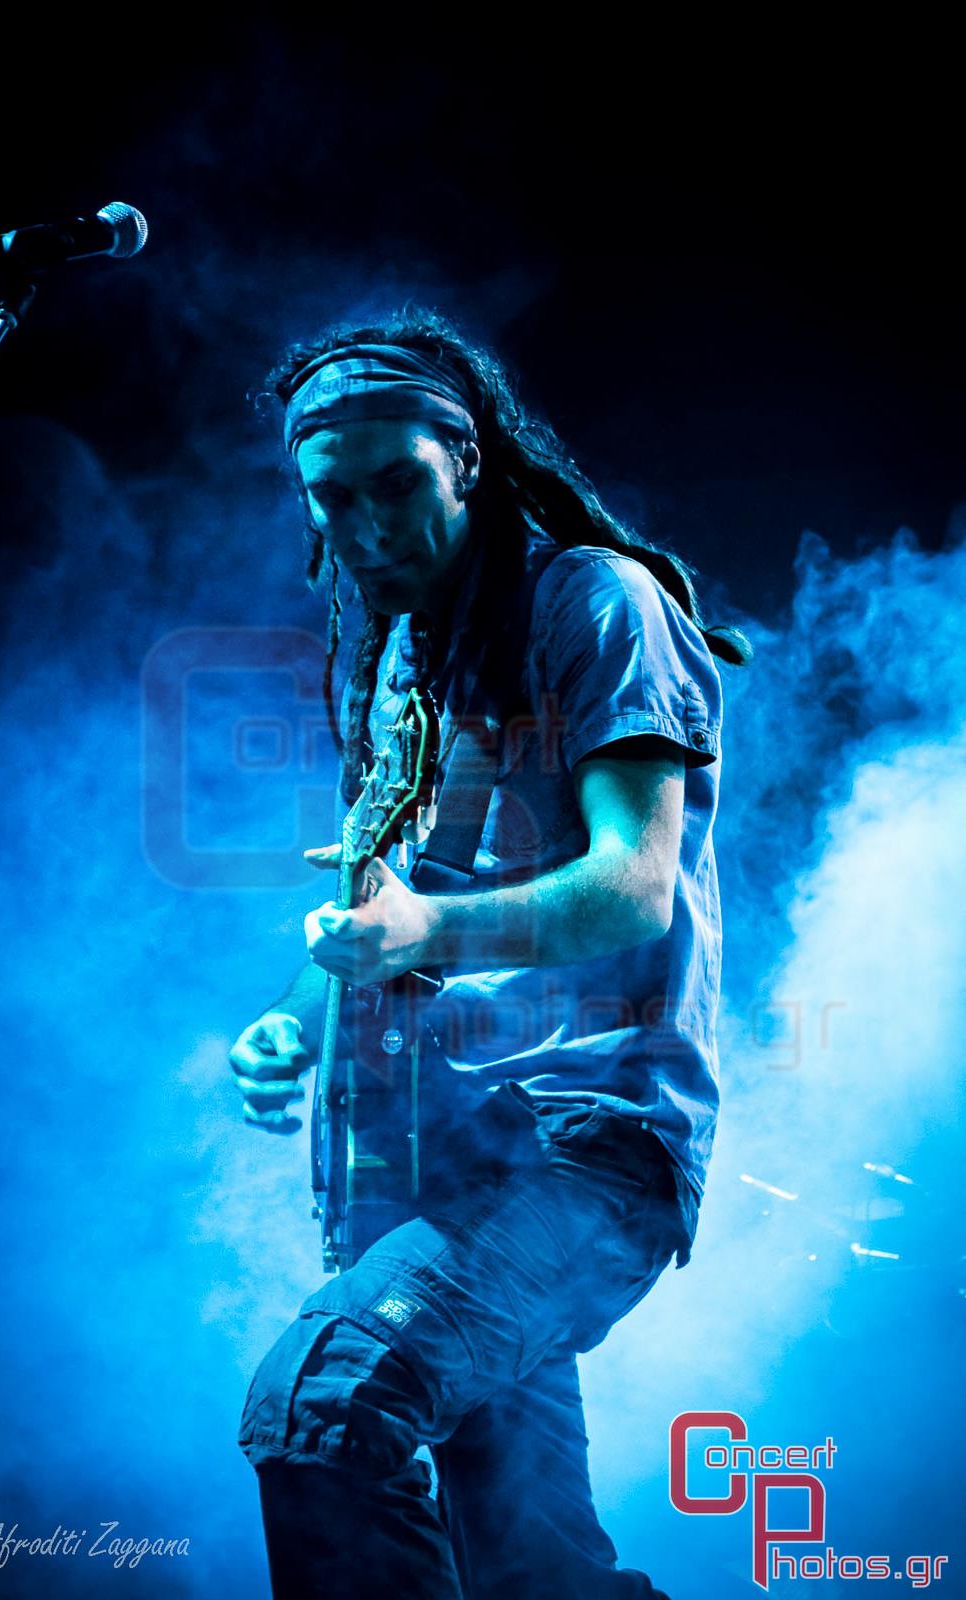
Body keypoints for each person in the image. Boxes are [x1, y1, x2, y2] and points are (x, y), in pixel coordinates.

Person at [230, 309, 750, 1599]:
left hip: (587, 1150)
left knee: (327, 1407)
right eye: (332, 498)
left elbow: (633, 888)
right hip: (449, 1162)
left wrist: (431, 930)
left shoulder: (594, 601)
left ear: (465, 457)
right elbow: (388, 914)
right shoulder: (402, 659)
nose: (366, 527)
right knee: (534, 1570)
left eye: (396, 483)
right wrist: (296, 1014)